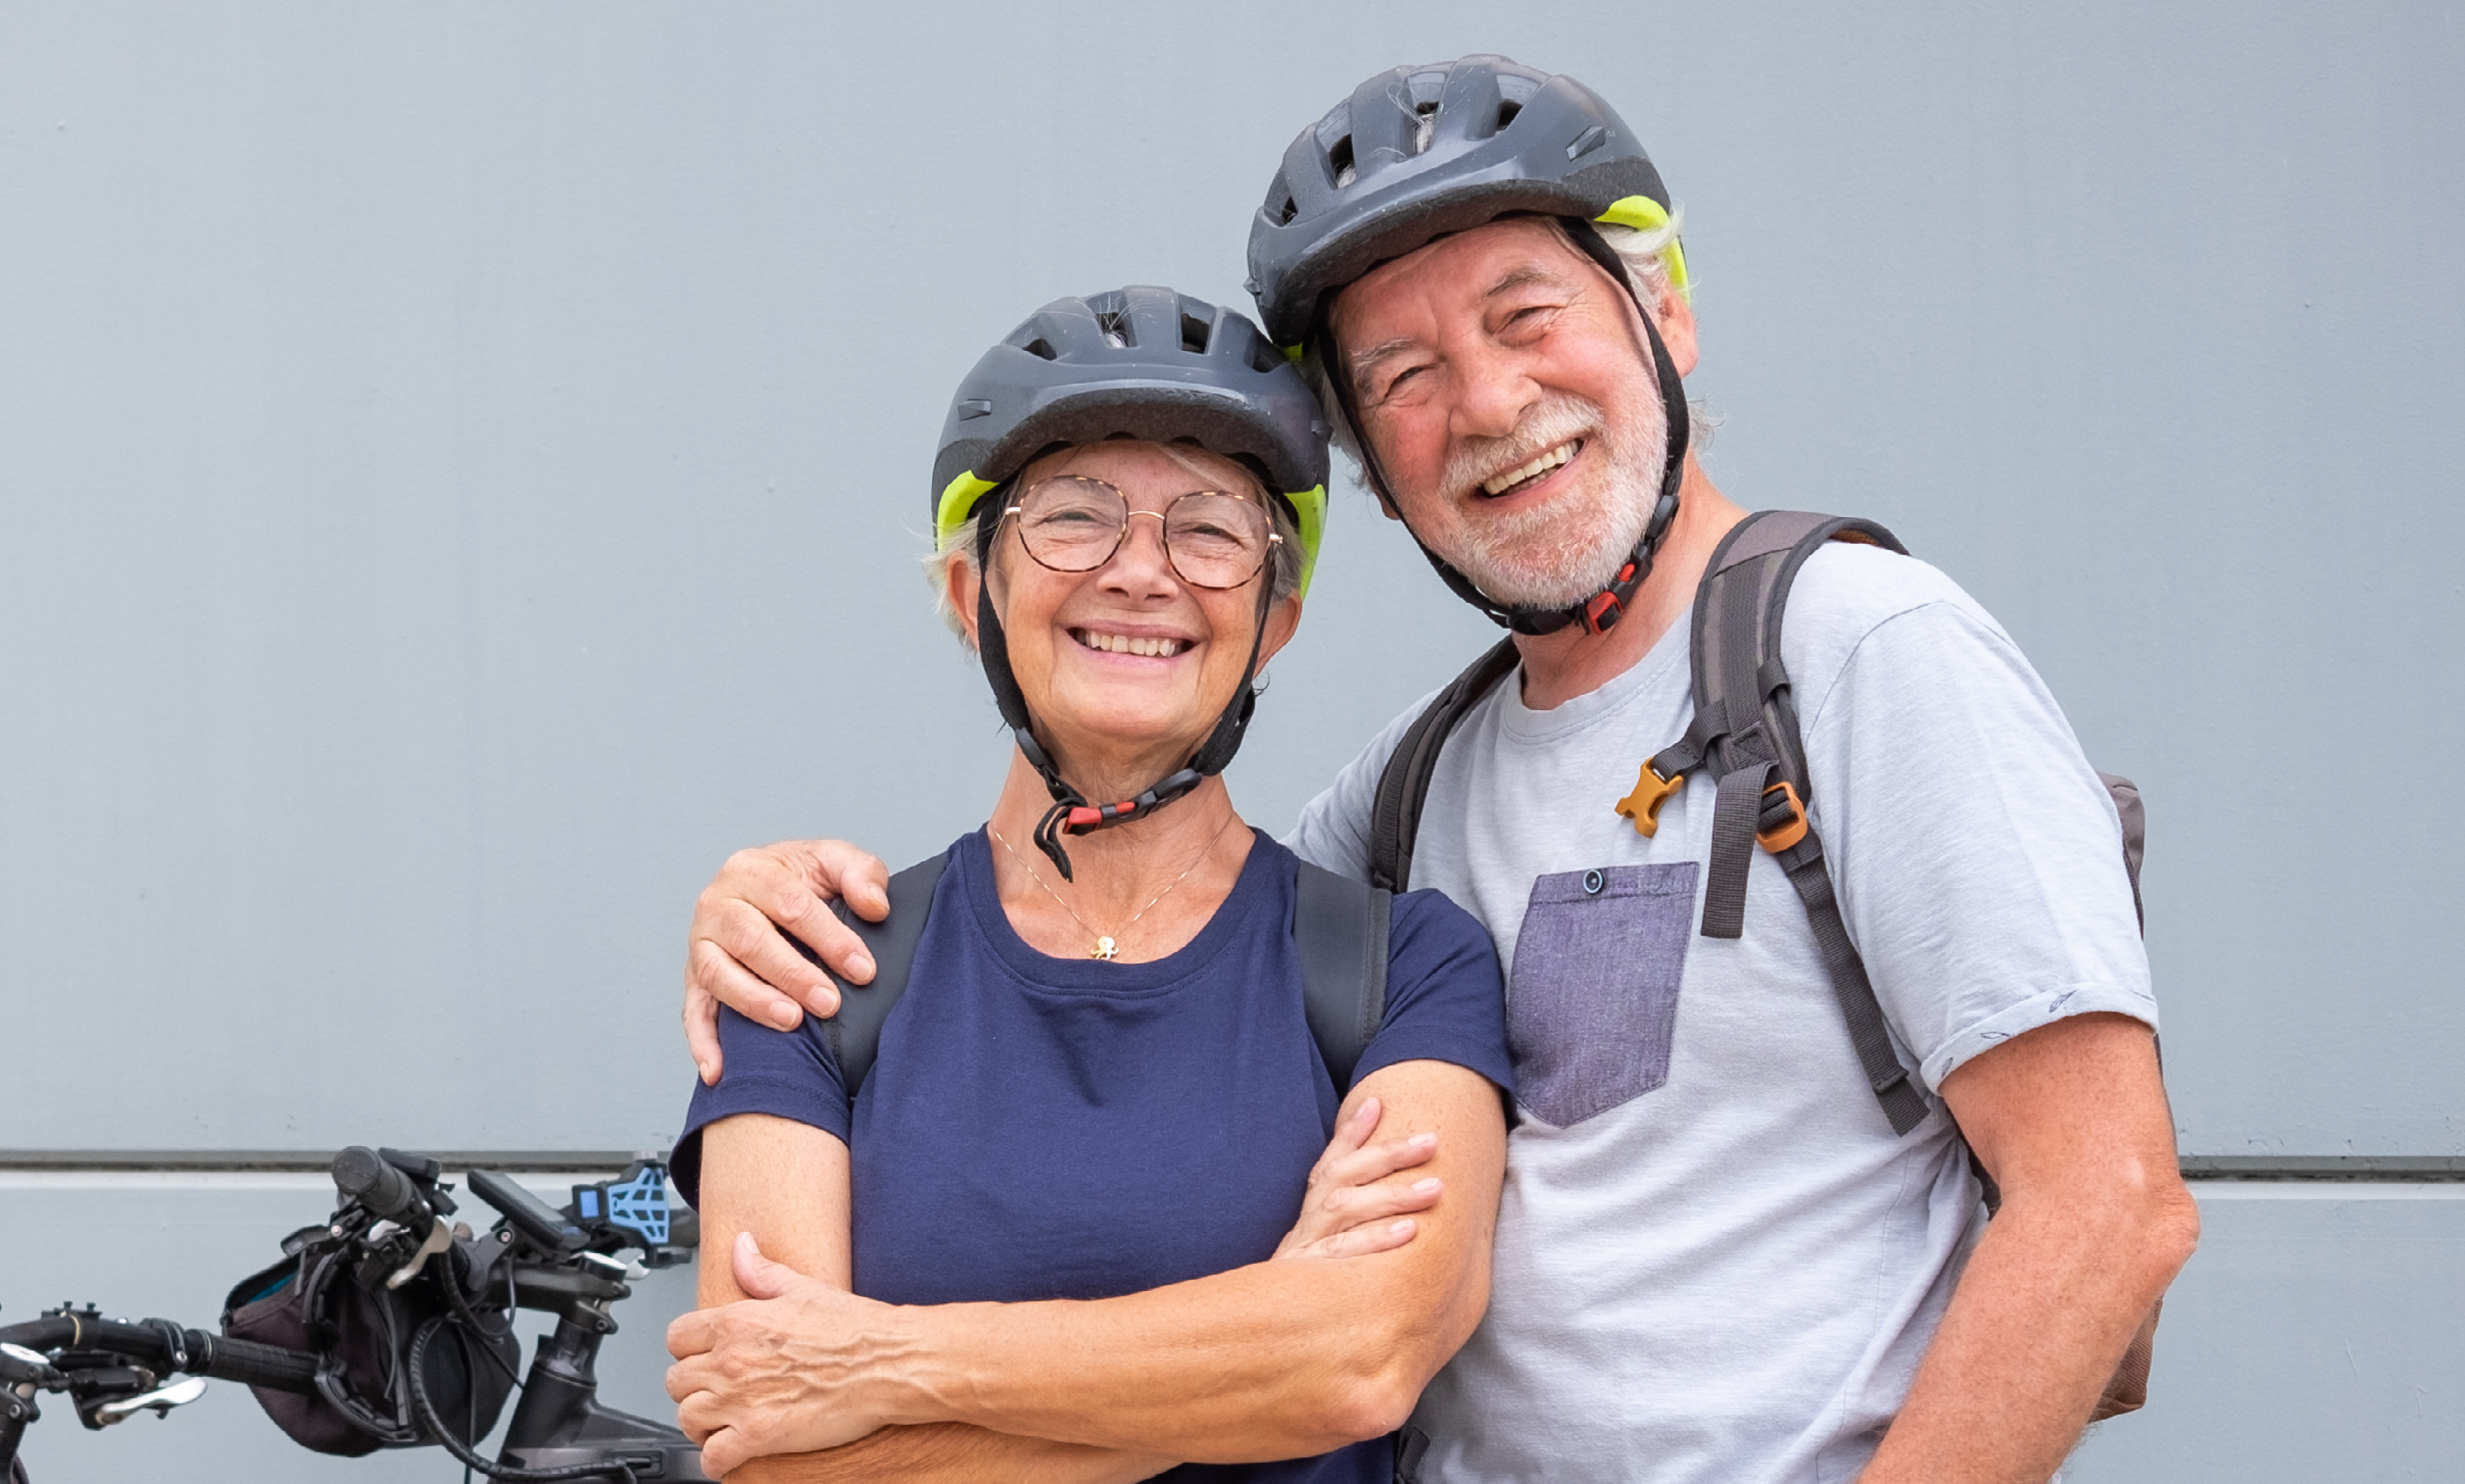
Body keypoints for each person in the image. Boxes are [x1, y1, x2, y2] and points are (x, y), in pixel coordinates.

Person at [675, 56, 2194, 1484]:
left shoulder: (1858, 648)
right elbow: (1160, 877)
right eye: (1401, 372)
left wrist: (883, 1360)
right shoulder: (1416, 791)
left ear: (1662, 310)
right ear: (1377, 480)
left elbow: (2105, 1205)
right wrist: (756, 901)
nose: (1481, 402)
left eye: (1526, 316)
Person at [668, 283, 1516, 1483]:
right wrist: (1258, 1334)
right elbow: (773, 1453)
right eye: (1074, 518)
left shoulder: (1406, 967)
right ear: (973, 595)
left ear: (1274, 622)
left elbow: (1359, 1364)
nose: (1141, 572)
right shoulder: (807, 964)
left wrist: (885, 1364)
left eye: (1212, 530)